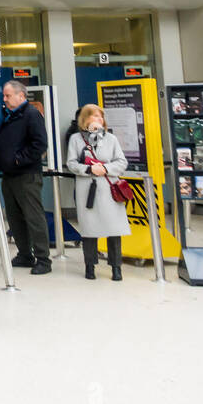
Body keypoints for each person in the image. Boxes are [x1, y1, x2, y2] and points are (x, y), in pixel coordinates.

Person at [66, 104, 131, 281]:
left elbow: (121, 162)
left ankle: (116, 267)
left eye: (101, 117)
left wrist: (105, 168)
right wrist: (89, 169)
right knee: (89, 228)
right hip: (88, 189)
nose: (99, 120)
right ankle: (90, 266)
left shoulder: (111, 139)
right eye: (95, 116)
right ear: (85, 119)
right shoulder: (75, 139)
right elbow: (71, 163)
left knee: (114, 228)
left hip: (109, 188)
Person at [0, 80, 51, 275]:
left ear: (21, 96)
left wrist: (19, 160)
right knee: (15, 216)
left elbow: (40, 144)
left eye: (8, 95)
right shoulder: (11, 116)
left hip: (26, 175)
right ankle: (25, 254)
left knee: (33, 217)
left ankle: (43, 258)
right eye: (4, 96)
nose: (5, 99)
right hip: (9, 175)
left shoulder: (31, 115)